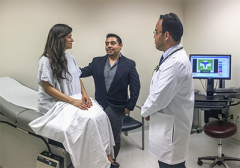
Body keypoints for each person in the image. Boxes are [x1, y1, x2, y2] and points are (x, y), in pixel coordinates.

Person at [33, 24, 117, 168]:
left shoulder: (70, 57)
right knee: (89, 120)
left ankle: (107, 156)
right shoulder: (46, 60)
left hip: (73, 98)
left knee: (101, 115)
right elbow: (47, 88)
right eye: (69, 37)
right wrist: (73, 101)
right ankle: (94, 163)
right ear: (60, 39)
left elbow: (77, 76)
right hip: (54, 103)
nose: (72, 40)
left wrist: (84, 94)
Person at [141, 13, 194, 168]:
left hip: (172, 132)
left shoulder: (176, 63)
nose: (154, 36)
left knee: (171, 165)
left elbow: (158, 98)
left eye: (155, 32)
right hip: (167, 125)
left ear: (166, 35)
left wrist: (145, 110)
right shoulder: (171, 57)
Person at [80, 33, 141, 163]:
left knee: (113, 137)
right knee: (98, 136)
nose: (109, 46)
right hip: (99, 106)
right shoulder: (97, 62)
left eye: (113, 43)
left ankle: (112, 161)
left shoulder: (129, 64)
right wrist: (67, 66)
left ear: (120, 46)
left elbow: (135, 88)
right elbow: (81, 72)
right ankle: (100, 162)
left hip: (117, 108)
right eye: (107, 44)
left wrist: (128, 107)